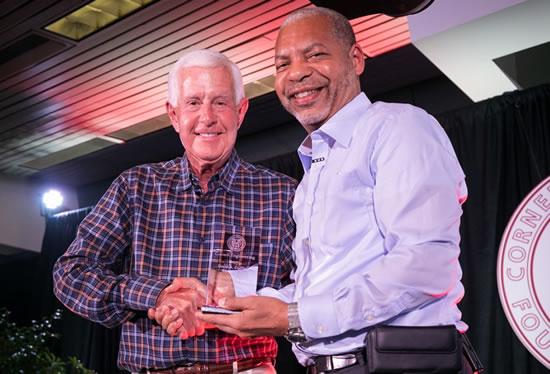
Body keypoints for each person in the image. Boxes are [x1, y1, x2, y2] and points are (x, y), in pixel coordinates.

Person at [199, 7, 479, 374]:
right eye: (283, 64)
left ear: (356, 59)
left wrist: (295, 316)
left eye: (316, 54)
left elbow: (424, 265)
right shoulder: (316, 169)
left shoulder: (398, 128)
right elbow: (318, 287)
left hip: (401, 364)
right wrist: (236, 301)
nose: (297, 72)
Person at [52, 49, 297, 373]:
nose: (207, 117)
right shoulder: (136, 187)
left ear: (240, 111)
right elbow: (70, 274)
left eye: (220, 102)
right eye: (194, 102)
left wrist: (242, 302)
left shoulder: (282, 195)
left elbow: (315, 290)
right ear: (174, 114)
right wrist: (156, 297)